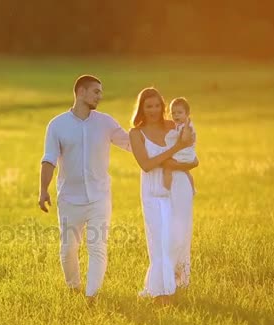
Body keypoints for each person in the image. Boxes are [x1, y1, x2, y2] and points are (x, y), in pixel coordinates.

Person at [38, 75, 131, 299]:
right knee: (68, 249)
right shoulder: (57, 125)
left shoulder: (106, 122)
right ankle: (73, 287)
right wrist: (43, 190)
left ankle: (92, 296)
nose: (100, 96)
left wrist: (163, 140)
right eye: (96, 92)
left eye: (100, 92)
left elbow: (130, 143)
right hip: (69, 199)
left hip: (100, 197)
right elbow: (49, 159)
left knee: (97, 247)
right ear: (81, 92)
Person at [128, 87, 198, 304]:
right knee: (159, 239)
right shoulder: (136, 133)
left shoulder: (173, 125)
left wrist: (172, 162)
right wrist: (175, 150)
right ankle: (161, 292)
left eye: (157, 105)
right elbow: (147, 165)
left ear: (163, 106)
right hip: (153, 189)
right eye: (148, 106)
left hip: (179, 186)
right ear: (141, 108)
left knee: (178, 237)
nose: (154, 110)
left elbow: (194, 160)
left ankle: (175, 283)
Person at [163, 97, 196, 192]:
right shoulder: (180, 125)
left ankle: (166, 190)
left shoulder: (187, 126)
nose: (176, 115)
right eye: (173, 113)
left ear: (187, 114)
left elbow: (185, 140)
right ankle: (192, 188)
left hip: (184, 154)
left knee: (167, 168)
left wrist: (185, 129)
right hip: (188, 154)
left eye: (180, 113)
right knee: (186, 171)